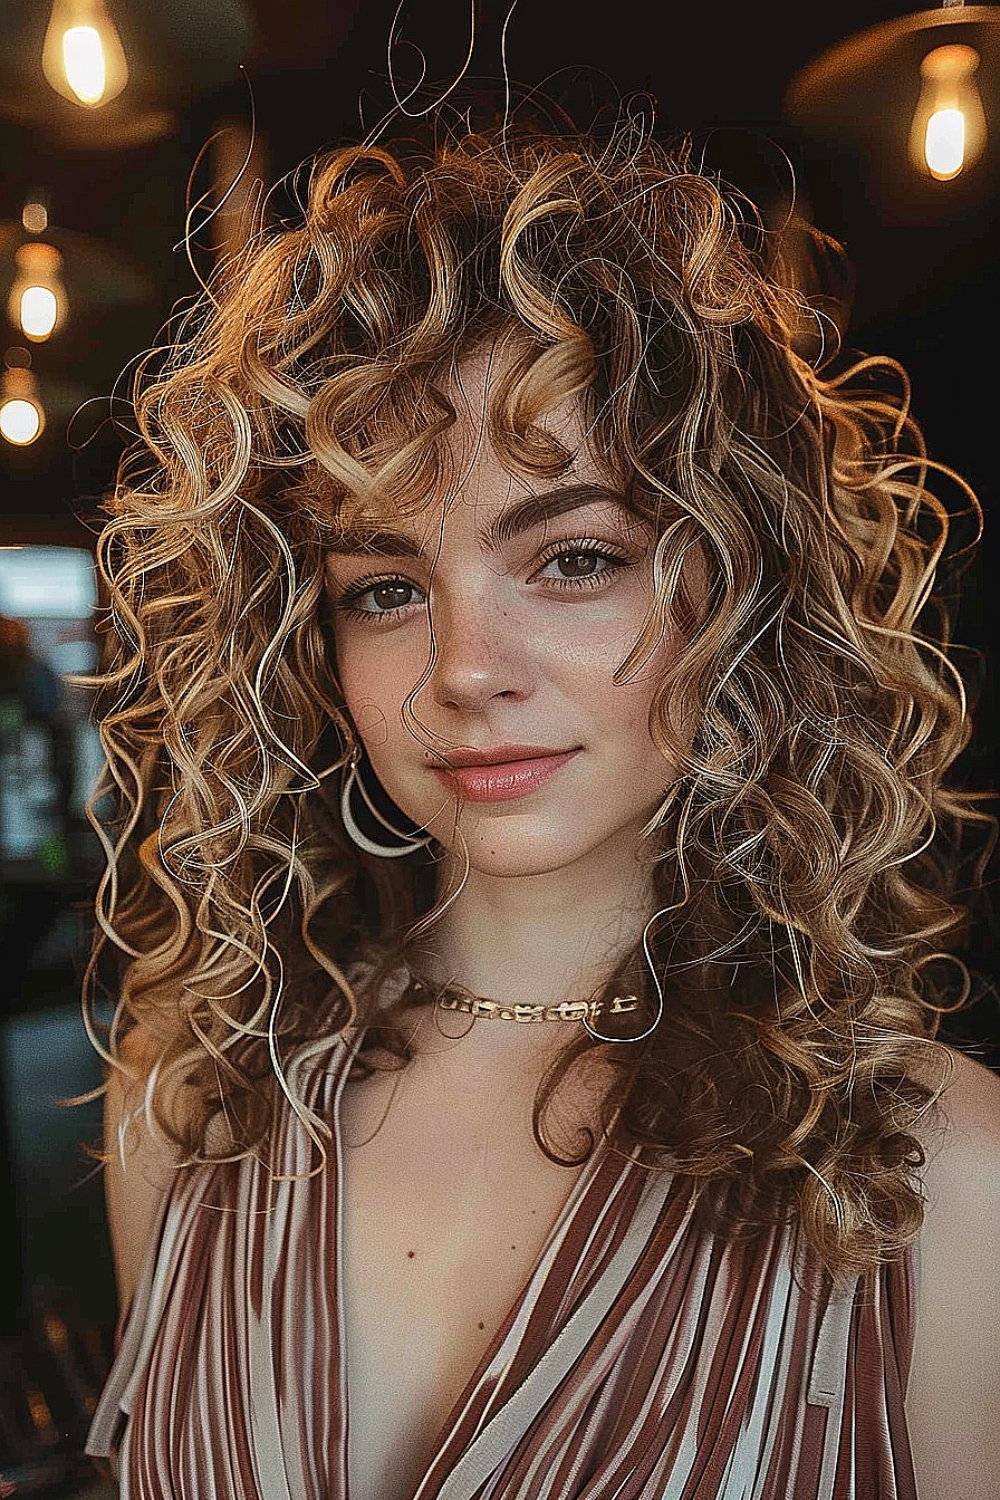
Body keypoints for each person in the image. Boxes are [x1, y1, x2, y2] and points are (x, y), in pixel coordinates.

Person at [82, 110, 1000, 1500]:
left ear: (742, 595)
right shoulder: (189, 1108)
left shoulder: (938, 1173)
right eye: (385, 589)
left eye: (574, 559)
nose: (462, 672)